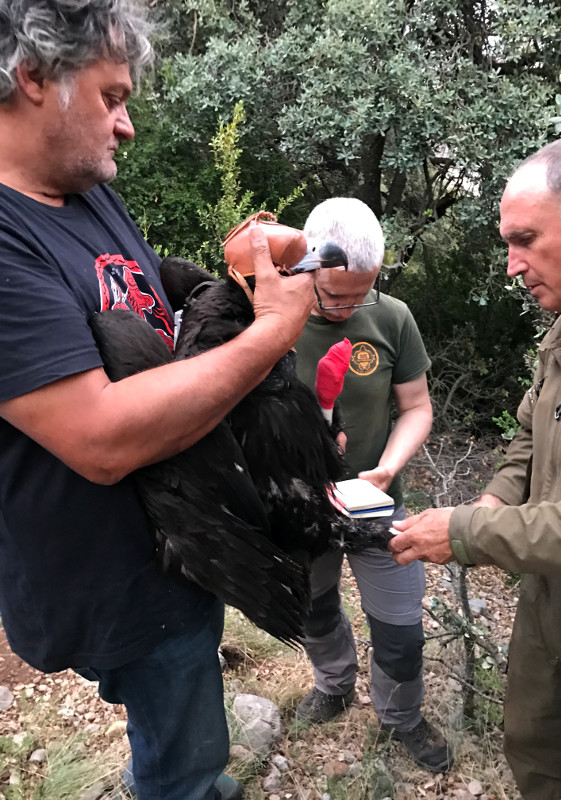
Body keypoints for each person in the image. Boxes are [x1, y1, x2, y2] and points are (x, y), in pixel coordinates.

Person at [0, 2, 317, 799]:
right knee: (184, 763)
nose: (127, 124)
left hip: (180, 550)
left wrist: (235, 271)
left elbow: (141, 295)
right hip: (116, 586)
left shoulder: (81, 190)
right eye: (111, 98)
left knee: (180, 730)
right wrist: (272, 334)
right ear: (31, 76)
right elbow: (100, 437)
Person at [388, 135, 561, 800]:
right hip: (547, 605)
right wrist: (492, 504)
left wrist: (469, 535)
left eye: (527, 240)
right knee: (540, 758)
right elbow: (529, 442)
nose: (512, 266)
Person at [293, 197, 453, 773]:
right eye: (336, 294)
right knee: (313, 608)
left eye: (363, 292)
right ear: (305, 265)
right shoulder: (267, 321)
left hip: (374, 504)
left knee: (402, 629)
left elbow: (415, 407)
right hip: (300, 510)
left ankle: (400, 716)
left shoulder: (391, 318)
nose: (349, 306)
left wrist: (387, 466)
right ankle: (333, 685)